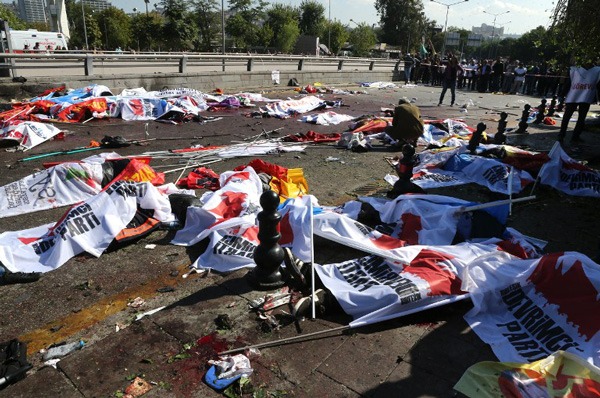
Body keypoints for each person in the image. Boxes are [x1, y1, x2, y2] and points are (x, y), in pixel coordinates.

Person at [557, 62, 600, 143]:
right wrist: (562, 94)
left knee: (581, 118)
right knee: (567, 116)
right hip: (577, 96)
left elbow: (598, 86)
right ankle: (562, 135)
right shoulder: (575, 69)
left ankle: (574, 136)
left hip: (584, 97)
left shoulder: (596, 71)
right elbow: (569, 83)